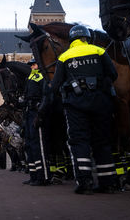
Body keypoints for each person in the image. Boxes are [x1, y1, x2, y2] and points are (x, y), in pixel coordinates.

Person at [50, 24, 118, 194]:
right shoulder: (99, 51)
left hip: (76, 104)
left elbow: (56, 84)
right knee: (102, 140)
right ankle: (108, 182)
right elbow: (113, 74)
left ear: (72, 39)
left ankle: (84, 182)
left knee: (79, 141)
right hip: (101, 102)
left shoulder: (65, 56)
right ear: (87, 37)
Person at [21, 58, 48, 186]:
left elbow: (46, 95)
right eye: (31, 65)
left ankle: (43, 176)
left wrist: (40, 112)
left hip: (36, 113)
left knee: (38, 145)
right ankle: (33, 175)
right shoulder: (29, 78)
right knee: (30, 145)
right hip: (28, 113)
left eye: (34, 64)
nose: (32, 67)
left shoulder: (41, 77)